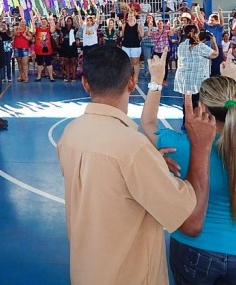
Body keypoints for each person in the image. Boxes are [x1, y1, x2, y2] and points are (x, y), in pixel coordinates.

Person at [57, 46, 216, 285]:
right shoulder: (133, 147)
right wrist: (201, 148)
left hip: (86, 271)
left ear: (85, 83)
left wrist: (151, 164)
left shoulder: (70, 133)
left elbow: (106, 183)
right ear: (131, 82)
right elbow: (191, 223)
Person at [141, 57, 236, 285]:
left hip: (194, 248)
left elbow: (148, 124)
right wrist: (233, 83)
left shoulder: (182, 146)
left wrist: (156, 80)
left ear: (202, 107)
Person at [175, 25, 219, 109]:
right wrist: (213, 42)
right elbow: (215, 54)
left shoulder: (181, 46)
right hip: (197, 81)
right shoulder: (200, 46)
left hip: (184, 79)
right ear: (195, 33)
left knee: (187, 104)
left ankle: (186, 117)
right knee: (198, 106)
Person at [119, 11, 143, 84]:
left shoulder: (138, 26)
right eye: (129, 16)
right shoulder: (124, 25)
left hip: (135, 46)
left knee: (136, 62)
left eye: (132, 16)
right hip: (126, 46)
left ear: (134, 17)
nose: (130, 17)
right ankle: (128, 77)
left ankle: (135, 77)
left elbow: (142, 35)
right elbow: (121, 35)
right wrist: (120, 27)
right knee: (127, 62)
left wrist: (141, 29)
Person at [34, 15, 56, 82]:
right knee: (39, 63)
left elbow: (53, 29)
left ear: (47, 22)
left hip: (47, 49)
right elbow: (32, 30)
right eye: (42, 22)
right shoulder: (37, 29)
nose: (43, 23)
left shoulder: (49, 29)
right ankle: (39, 76)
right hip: (39, 49)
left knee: (49, 63)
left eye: (45, 22)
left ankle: (51, 77)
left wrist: (51, 19)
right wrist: (33, 19)